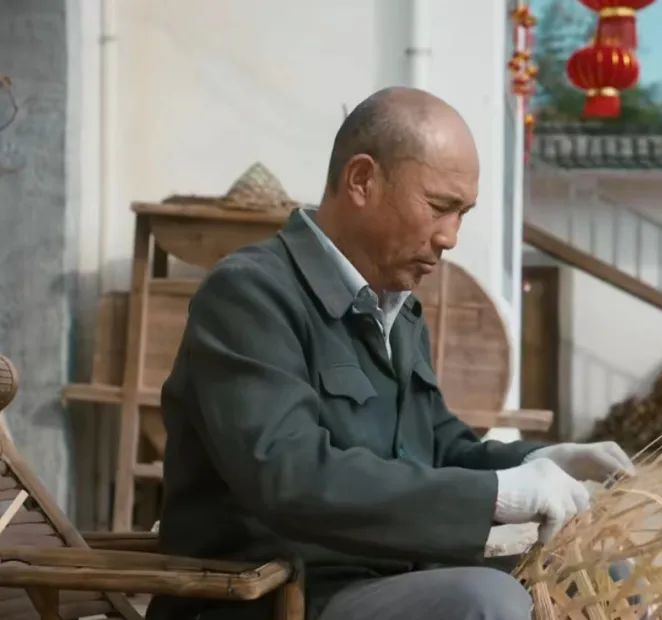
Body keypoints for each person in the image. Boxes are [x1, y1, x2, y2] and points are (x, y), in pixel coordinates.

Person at [145, 87, 635, 620]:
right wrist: (497, 494)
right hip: (277, 596)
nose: (450, 237)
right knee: (485, 603)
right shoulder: (250, 294)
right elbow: (288, 475)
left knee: (599, 572)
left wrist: (535, 462)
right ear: (362, 180)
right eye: (440, 208)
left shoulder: (398, 311)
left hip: (389, 575)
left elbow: (440, 448)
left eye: (463, 214)